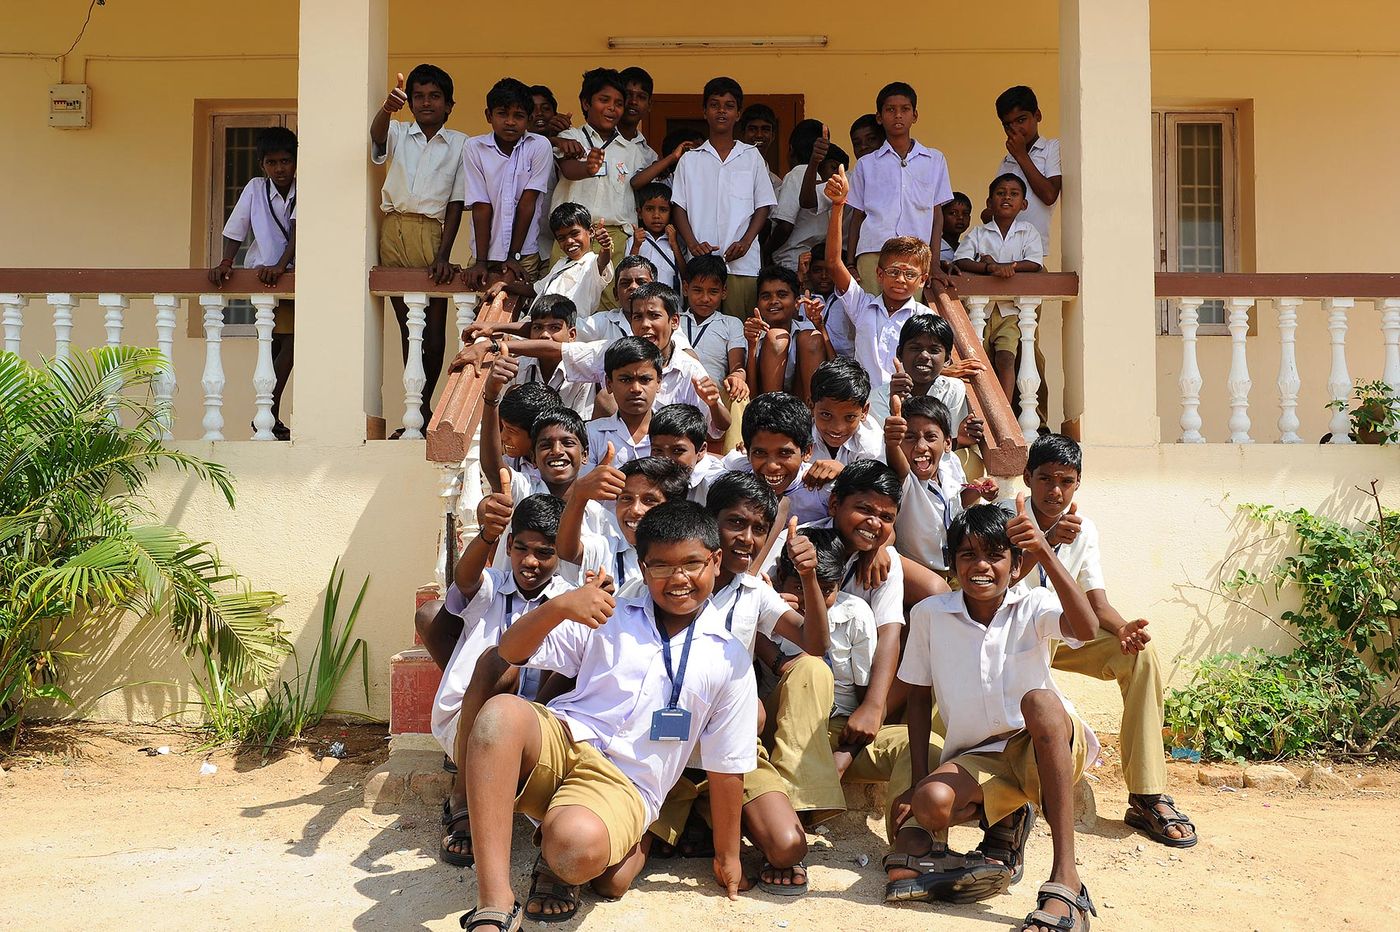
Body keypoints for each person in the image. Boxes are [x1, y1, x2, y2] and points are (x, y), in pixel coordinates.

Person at [462, 502, 758, 927]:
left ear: (714, 561)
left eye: (692, 564)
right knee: (499, 715)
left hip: (625, 781)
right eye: (661, 566)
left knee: (572, 850)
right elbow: (510, 651)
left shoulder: (729, 659)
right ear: (642, 566)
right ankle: (494, 900)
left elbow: (727, 767)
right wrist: (560, 606)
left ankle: (570, 848)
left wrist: (728, 856)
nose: (678, 579)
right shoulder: (610, 614)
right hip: (564, 739)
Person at [888, 501, 1099, 932]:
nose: (981, 566)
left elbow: (1087, 628)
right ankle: (1003, 825)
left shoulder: (1034, 603)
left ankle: (1066, 878)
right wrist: (917, 783)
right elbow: (917, 696)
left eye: (994, 555)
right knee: (930, 803)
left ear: (1015, 562)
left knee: (1039, 702)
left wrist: (1045, 552)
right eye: (967, 555)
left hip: (1047, 742)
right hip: (982, 757)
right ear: (951, 563)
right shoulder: (929, 615)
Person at [648, 476, 830, 895]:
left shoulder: (754, 594)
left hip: (731, 753)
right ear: (711, 524)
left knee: (787, 848)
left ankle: (707, 817)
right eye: (735, 523)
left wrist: (808, 578)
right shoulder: (668, 584)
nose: (747, 539)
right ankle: (693, 815)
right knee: (614, 874)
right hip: (664, 750)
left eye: (759, 529)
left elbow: (815, 643)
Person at [1016, 434, 1196, 849]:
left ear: (1078, 484)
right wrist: (1044, 542)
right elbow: (999, 582)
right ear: (1027, 477)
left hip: (1060, 634)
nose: (1055, 490)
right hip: (1009, 639)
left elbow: (1096, 600)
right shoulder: (1007, 518)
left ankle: (1147, 794)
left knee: (1140, 655)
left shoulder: (1084, 528)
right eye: (1045, 479)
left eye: (1066, 481)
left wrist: (1122, 630)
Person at [433, 491, 571, 867]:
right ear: (509, 545)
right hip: (469, 723)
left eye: (544, 553)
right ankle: (463, 796)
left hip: (534, 730)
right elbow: (464, 579)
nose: (530, 561)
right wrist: (486, 536)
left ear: (561, 555)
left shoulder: (568, 600)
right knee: (501, 665)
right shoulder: (492, 587)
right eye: (521, 548)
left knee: (568, 663)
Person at [370, 64, 466, 436]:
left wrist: (444, 254)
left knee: (434, 331)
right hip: (394, 229)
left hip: (433, 231)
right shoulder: (398, 131)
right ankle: (416, 412)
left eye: (435, 96)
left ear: (449, 104)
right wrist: (387, 108)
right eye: (420, 96)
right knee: (409, 327)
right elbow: (376, 138)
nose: (427, 103)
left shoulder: (461, 143)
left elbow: (457, 202)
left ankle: (426, 406)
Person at [823, 163, 935, 421]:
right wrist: (839, 206)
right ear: (879, 274)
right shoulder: (862, 306)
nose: (900, 279)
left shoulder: (925, 319)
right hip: (865, 410)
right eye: (894, 271)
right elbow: (833, 263)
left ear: (922, 280)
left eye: (910, 274)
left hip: (907, 411)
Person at [208, 126, 297, 441]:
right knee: (272, 347)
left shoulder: (304, 187)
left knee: (291, 343)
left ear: (296, 161)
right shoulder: (255, 188)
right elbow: (236, 228)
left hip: (293, 276)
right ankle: (268, 415)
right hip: (265, 277)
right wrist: (226, 262)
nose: (280, 168)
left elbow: (299, 231)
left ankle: (269, 413)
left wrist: (282, 265)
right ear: (262, 165)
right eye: (272, 162)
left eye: (285, 161)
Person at [670, 77, 778, 319]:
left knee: (741, 331)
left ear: (738, 113)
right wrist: (693, 243)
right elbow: (679, 207)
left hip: (742, 263)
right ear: (704, 111)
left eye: (729, 105)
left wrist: (747, 242)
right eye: (714, 104)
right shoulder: (690, 159)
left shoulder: (752, 157)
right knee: (701, 333)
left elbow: (763, 206)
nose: (721, 111)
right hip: (700, 264)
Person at [551, 68, 647, 308]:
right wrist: (588, 169)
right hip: (572, 235)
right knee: (562, 304)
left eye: (618, 103)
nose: (612, 108)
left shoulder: (631, 149)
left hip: (613, 237)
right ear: (586, 103)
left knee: (610, 305)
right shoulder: (571, 137)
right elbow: (569, 169)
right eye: (604, 100)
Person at [845, 83, 952, 293]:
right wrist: (850, 263)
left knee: (910, 322)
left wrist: (935, 263)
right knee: (870, 317)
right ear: (879, 117)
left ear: (915, 115)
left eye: (905, 109)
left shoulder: (934, 160)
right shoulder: (867, 164)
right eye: (890, 110)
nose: (898, 116)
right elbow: (857, 216)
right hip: (873, 252)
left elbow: (936, 215)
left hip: (916, 256)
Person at [954, 173, 1045, 405]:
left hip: (1011, 312)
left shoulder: (1028, 232)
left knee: (1006, 358)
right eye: (1000, 193)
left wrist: (1008, 267)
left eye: (1014, 194)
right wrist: (988, 267)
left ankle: (1003, 411)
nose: (1007, 197)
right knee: (978, 360)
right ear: (989, 202)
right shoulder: (978, 233)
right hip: (981, 312)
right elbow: (961, 260)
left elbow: (1035, 263)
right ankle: (980, 409)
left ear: (1023, 204)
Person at [461, 77, 554, 289]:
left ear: (529, 119)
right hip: (484, 254)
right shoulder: (474, 148)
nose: (510, 122)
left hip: (524, 254)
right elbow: (481, 206)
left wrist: (513, 256)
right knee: (479, 314)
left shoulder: (539, 146)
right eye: (502, 114)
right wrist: (481, 262)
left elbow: (527, 203)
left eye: (518, 116)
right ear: (488, 115)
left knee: (520, 316)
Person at [884, 394, 991, 575]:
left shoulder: (951, 465)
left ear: (947, 443)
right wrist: (892, 443)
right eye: (909, 437)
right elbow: (898, 466)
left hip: (956, 569)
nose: (920, 446)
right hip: (921, 573)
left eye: (930, 437)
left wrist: (979, 490)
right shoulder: (904, 478)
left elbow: (955, 505)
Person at [558, 453, 691, 594]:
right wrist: (579, 496)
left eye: (649, 500)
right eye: (626, 498)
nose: (635, 510)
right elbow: (567, 552)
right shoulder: (609, 548)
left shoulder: (691, 554)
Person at [486, 202, 614, 318]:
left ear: (591, 232)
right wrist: (506, 285)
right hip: (538, 325)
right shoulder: (561, 264)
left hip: (562, 329)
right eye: (562, 238)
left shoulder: (592, 263)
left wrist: (606, 247)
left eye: (575, 234)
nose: (569, 241)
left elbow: (602, 262)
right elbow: (536, 289)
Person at [722, 391, 832, 524]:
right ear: (748, 451)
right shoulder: (738, 469)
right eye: (760, 453)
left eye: (784, 453)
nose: (772, 466)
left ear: (807, 452)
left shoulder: (822, 491)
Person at [889, 313, 986, 455]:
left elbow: (948, 449)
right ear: (899, 353)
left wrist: (960, 440)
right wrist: (895, 407)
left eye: (934, 350)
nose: (924, 356)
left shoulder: (953, 389)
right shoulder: (879, 396)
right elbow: (883, 451)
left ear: (947, 359)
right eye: (915, 348)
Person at [987, 85, 1061, 255]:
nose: (1015, 130)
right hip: (1001, 251)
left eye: (1021, 120)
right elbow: (994, 206)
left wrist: (1021, 155)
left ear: (1038, 115)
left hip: (1033, 251)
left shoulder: (1051, 148)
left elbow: (1049, 195)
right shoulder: (1007, 161)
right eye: (1007, 125)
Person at [769, 121, 849, 272]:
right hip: (813, 264)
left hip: (791, 260)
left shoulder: (798, 172)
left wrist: (765, 252)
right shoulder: (822, 180)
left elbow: (785, 225)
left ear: (791, 149)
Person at [742, 265, 829, 400]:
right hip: (763, 405)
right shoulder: (750, 332)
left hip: (802, 405)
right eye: (766, 296)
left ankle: (812, 415)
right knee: (775, 337)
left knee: (810, 338)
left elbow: (837, 372)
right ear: (758, 303)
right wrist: (752, 345)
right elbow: (750, 393)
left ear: (796, 302)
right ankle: (772, 414)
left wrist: (820, 326)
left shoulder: (807, 329)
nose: (773, 301)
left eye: (782, 295)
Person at [506, 294, 596, 418]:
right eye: (537, 327)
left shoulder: (582, 374)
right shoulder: (516, 366)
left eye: (554, 327)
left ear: (572, 335)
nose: (544, 335)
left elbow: (580, 424)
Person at [583, 337, 664, 469]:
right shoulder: (591, 434)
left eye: (645, 379)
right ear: (609, 384)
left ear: (658, 382)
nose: (636, 389)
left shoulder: (673, 434)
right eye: (626, 380)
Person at [679, 255, 750, 401]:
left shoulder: (731, 324)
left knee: (740, 394)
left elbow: (737, 368)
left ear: (724, 292)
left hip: (715, 398)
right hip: (676, 393)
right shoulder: (674, 321)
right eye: (697, 290)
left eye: (713, 292)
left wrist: (737, 377)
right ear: (686, 289)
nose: (705, 298)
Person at [808, 357, 883, 473]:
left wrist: (844, 474)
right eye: (826, 415)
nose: (837, 428)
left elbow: (870, 488)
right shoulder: (798, 436)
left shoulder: (872, 446)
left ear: (864, 412)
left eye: (849, 417)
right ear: (811, 405)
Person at [649, 402, 725, 503]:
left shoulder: (717, 486)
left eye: (678, 451)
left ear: (701, 450)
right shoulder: (648, 477)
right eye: (658, 450)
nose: (666, 459)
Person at [630, 182, 682, 290]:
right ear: (639, 213)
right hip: (642, 301)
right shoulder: (633, 240)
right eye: (649, 209)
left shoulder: (677, 240)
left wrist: (674, 245)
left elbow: (685, 274)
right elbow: (627, 271)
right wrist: (636, 246)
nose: (656, 216)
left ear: (671, 213)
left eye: (663, 210)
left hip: (669, 303)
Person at [618, 66, 660, 170]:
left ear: (649, 105)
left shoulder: (650, 157)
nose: (633, 101)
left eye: (641, 97)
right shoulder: (595, 141)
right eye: (628, 94)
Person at [739, 102, 783, 192]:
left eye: (765, 129)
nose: (759, 135)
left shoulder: (777, 184)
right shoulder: (731, 172)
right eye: (752, 129)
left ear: (773, 135)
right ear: (743, 134)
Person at [940, 192, 973, 269]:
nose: (960, 217)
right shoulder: (932, 248)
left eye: (965, 213)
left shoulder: (967, 248)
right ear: (940, 216)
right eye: (953, 213)